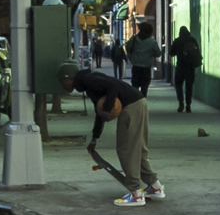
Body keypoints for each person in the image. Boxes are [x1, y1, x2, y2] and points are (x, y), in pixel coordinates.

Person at [62, 61, 163, 207]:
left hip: (131, 107)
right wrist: (95, 138)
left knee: (126, 149)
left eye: (62, 82)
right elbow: (99, 112)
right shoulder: (89, 81)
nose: (62, 85)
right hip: (138, 102)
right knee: (137, 149)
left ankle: (136, 194)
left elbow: (113, 88)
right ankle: (154, 186)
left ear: (68, 79)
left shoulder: (88, 80)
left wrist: (108, 109)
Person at [125, 19, 161, 96]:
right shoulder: (152, 41)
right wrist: (150, 53)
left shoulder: (134, 39)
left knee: (135, 87)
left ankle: (135, 102)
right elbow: (158, 53)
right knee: (144, 88)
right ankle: (143, 103)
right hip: (146, 67)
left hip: (136, 66)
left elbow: (128, 48)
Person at [172, 26, 203, 112]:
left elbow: (171, 52)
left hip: (180, 66)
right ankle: (188, 105)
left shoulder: (177, 41)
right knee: (189, 86)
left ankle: (181, 103)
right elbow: (197, 52)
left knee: (178, 85)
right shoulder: (192, 40)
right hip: (190, 67)